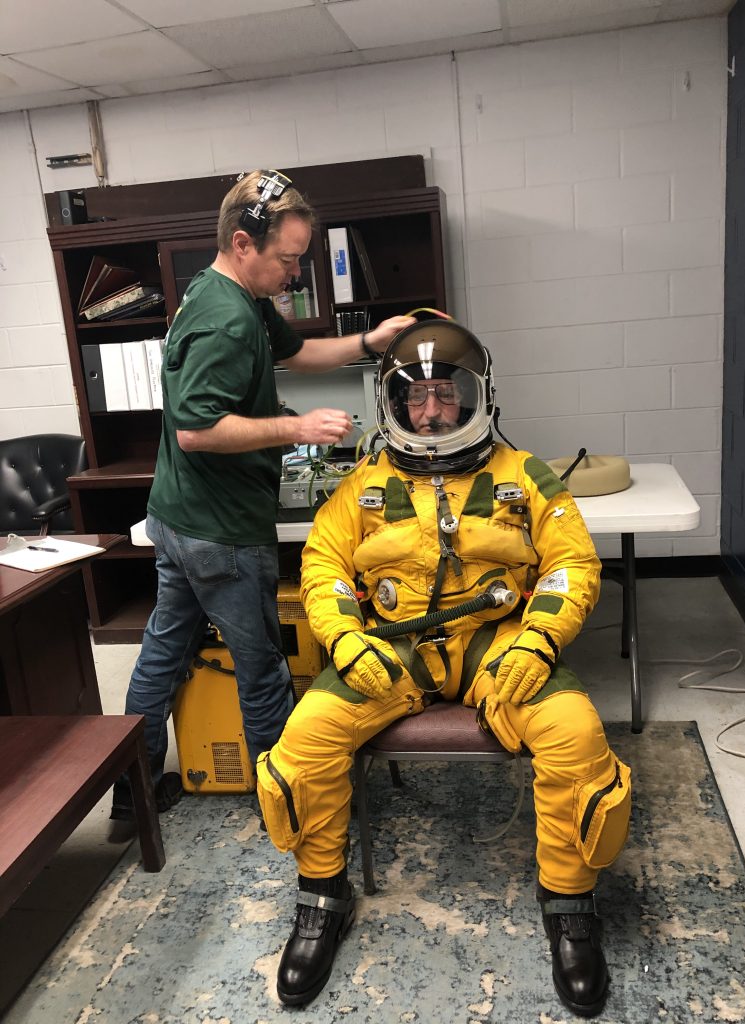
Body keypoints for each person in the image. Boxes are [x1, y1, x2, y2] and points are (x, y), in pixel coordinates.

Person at [256, 318, 632, 1018]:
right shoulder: (364, 484)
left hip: (503, 647)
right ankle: (319, 899)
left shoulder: (524, 476)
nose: (430, 412)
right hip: (391, 650)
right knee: (303, 744)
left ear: (478, 396)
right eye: (414, 397)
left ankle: (570, 906)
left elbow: (572, 562)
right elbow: (324, 566)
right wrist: (343, 640)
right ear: (392, 406)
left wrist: (540, 640)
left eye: (445, 395)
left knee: (577, 739)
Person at [110, 168, 415, 821]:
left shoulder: (225, 293)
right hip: (219, 532)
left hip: (175, 517)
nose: (296, 274)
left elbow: (293, 353)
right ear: (244, 244)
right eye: (288, 259)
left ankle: (131, 794)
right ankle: (290, 806)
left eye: (302, 259)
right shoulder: (225, 321)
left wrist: (370, 341)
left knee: (163, 649)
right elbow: (196, 431)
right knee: (263, 670)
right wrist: (297, 426)